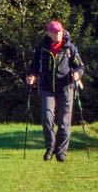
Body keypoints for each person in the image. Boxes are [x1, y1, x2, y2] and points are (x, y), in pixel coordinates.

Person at [27, 19, 84, 161]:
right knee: (47, 118)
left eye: (60, 31)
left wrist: (77, 74)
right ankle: (50, 149)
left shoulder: (70, 48)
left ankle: (61, 153)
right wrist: (31, 76)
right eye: (54, 32)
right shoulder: (42, 48)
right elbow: (33, 66)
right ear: (48, 33)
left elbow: (80, 67)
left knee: (64, 122)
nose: (58, 34)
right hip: (47, 88)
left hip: (66, 87)